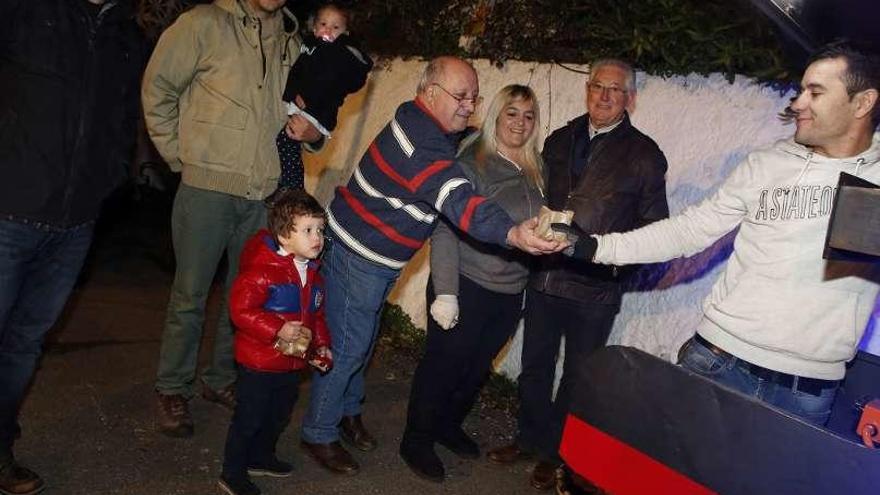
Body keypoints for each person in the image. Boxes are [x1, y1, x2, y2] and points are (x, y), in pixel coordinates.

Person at [565, 40, 880, 427]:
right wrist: (596, 246)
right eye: (800, 90)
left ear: (862, 103)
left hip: (806, 389)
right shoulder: (767, 165)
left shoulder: (876, 179)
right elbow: (691, 229)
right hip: (718, 359)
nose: (798, 103)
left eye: (815, 93)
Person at [298, 56, 566, 476]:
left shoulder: (432, 129)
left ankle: (347, 412)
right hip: (358, 256)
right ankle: (318, 431)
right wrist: (512, 234)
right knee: (349, 348)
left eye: (474, 98)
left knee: (361, 344)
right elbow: (456, 197)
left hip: (378, 258)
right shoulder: (422, 144)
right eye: (460, 96)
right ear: (428, 94)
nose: (468, 105)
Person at [142, 0, 323, 438]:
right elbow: (158, 89)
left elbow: (309, 113)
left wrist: (315, 134)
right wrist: (180, 158)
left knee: (245, 296)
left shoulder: (291, 41)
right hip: (206, 189)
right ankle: (172, 388)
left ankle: (221, 380)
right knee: (190, 295)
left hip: (261, 193)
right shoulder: (203, 23)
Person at [487, 59, 669, 491]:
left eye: (615, 90)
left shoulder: (644, 154)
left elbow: (655, 229)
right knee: (534, 364)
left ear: (630, 99)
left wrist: (617, 267)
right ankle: (530, 438)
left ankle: (555, 454)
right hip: (546, 274)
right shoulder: (559, 138)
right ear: (587, 90)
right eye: (596, 87)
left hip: (595, 287)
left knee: (576, 376)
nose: (604, 97)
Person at [0, 1, 144, 493]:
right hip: (7, 213)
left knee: (23, 346)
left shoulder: (125, 35)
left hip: (75, 225)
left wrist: (107, 181)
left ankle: (0, 450)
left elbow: (123, 119)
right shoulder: (26, 11)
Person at [400, 84, 547, 482]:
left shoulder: (538, 168)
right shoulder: (473, 161)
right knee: (443, 366)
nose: (520, 123)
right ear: (496, 116)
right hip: (465, 283)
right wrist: (445, 293)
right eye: (511, 113)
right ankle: (416, 440)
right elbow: (446, 230)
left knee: (476, 367)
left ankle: (447, 425)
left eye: (528, 115)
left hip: (508, 292)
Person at [220, 189, 332, 495]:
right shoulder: (261, 271)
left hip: (292, 363)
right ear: (284, 235)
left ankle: (260, 456)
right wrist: (276, 329)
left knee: (279, 413)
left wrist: (321, 344)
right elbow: (240, 310)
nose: (317, 238)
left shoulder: (314, 273)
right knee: (250, 416)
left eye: (320, 230)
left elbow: (316, 316)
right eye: (308, 230)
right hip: (259, 362)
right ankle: (232, 471)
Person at [270, 2, 373, 198]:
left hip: (316, 112)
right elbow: (297, 74)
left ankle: (292, 187)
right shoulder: (308, 47)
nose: (328, 30)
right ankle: (289, 185)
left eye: (336, 28)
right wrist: (293, 95)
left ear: (345, 33)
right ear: (315, 27)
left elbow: (351, 78)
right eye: (324, 24)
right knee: (286, 143)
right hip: (300, 108)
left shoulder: (340, 54)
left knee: (287, 141)